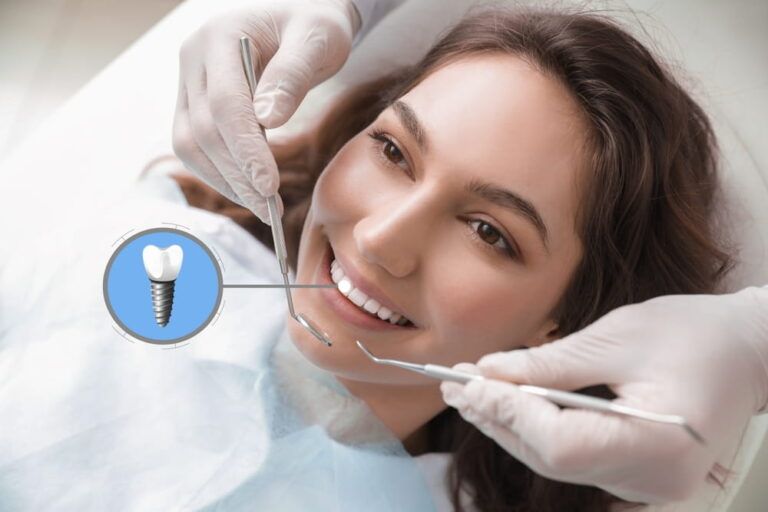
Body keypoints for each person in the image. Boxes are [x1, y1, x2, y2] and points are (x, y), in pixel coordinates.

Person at [172, 0, 768, 505]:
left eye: (487, 231)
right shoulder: (155, 257)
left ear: (560, 324)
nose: (381, 239)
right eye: (393, 151)